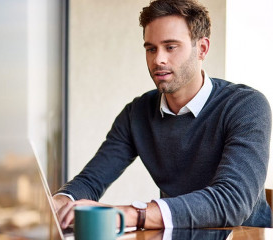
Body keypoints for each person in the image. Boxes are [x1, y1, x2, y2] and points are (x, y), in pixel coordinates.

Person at [53, 0, 272, 229]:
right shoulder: (136, 114)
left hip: (246, 235)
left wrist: (131, 214)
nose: (158, 60)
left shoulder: (246, 106)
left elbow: (232, 202)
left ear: (203, 49)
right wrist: (61, 201)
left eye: (171, 47)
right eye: (151, 49)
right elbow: (92, 179)